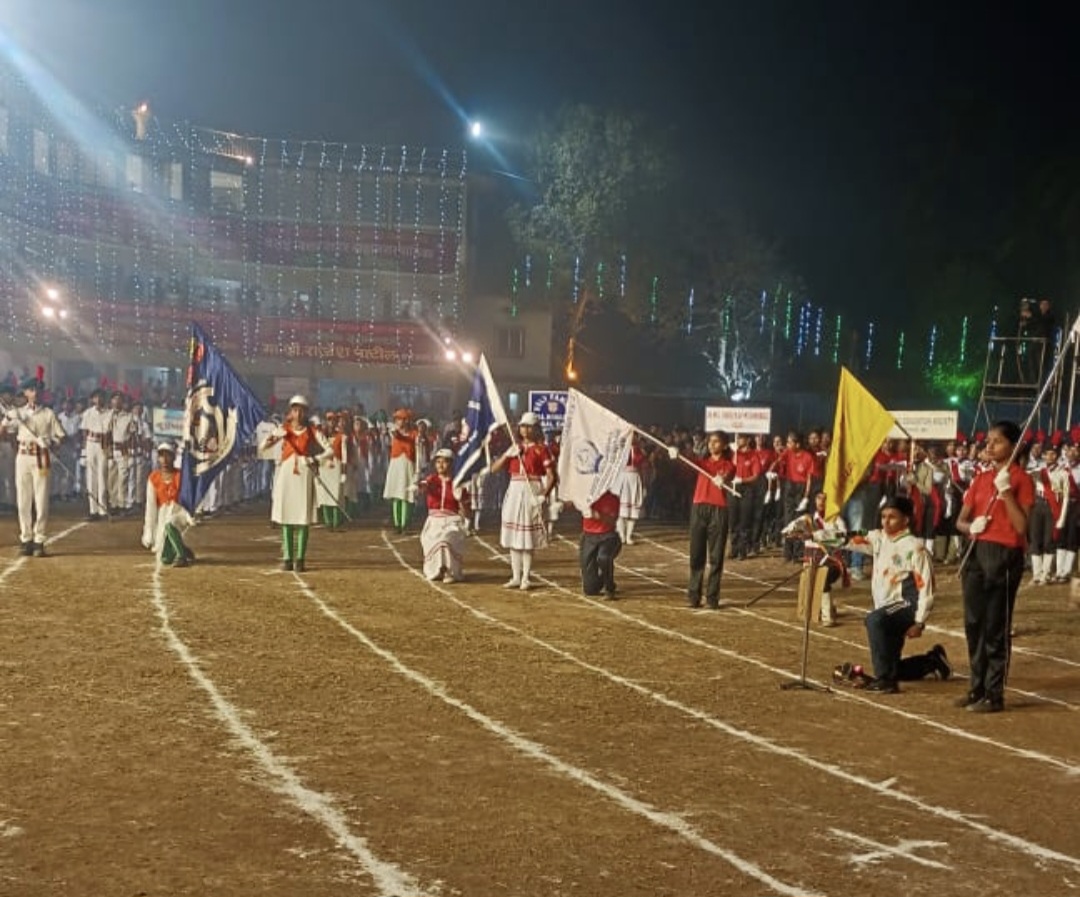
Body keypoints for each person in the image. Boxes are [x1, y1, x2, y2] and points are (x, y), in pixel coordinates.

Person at [955, 420, 1034, 713]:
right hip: (976, 551)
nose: (989, 446)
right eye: (988, 441)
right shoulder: (980, 479)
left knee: (995, 626)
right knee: (974, 624)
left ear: (1013, 447)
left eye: (997, 441)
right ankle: (976, 687)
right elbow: (960, 521)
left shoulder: (1022, 480)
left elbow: (1021, 526)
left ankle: (993, 693)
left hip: (1004, 555)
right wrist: (971, 526)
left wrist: (1006, 492)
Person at [847, 495, 950, 692]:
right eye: (883, 516)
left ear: (906, 520)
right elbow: (848, 537)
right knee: (892, 666)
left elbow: (926, 587)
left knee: (874, 620)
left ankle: (885, 681)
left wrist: (919, 622)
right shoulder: (878, 538)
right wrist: (813, 535)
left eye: (892, 517)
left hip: (907, 604)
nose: (886, 522)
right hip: (887, 608)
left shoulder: (915, 548)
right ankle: (931, 662)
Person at [259, 395, 333, 572]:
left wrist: (314, 459)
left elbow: (329, 450)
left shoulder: (312, 431)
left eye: (301, 411)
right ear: (290, 412)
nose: (297, 414)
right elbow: (262, 447)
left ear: (306, 413)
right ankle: (287, 558)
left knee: (302, 517)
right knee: (286, 515)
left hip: (304, 474)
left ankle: (300, 559)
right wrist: (272, 438)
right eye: (294, 410)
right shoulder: (283, 429)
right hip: (286, 473)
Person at [490, 411, 556, 591]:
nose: (525, 430)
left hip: (531, 489)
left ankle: (526, 577)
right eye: (523, 426)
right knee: (514, 536)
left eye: (529, 427)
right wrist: (507, 455)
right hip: (514, 489)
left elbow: (552, 476)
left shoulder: (542, 449)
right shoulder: (514, 448)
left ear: (535, 429)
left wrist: (543, 496)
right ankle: (515, 577)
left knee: (527, 537)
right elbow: (494, 469)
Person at [2, 372, 66, 556]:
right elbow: (2, 433)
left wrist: (51, 442)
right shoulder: (18, 413)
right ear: (25, 393)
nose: (35, 392)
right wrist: (7, 420)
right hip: (23, 457)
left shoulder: (48, 413)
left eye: (38, 389)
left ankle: (39, 539)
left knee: (41, 500)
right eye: (31, 389)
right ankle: (26, 538)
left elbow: (61, 436)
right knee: (23, 500)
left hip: (41, 459)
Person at [686, 430, 736, 609]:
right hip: (699, 507)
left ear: (724, 445)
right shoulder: (702, 463)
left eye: (716, 441)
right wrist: (675, 452)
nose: (712, 444)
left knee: (716, 556)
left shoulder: (728, 465)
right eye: (710, 441)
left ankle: (712, 597)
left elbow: (729, 473)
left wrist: (723, 478)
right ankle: (694, 595)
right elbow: (687, 462)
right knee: (696, 554)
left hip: (718, 510)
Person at [781, 491, 846, 626]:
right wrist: (793, 531)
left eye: (824, 499)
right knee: (810, 583)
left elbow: (843, 537)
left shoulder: (836, 520)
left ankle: (827, 617)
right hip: (811, 563)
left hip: (831, 562)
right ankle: (827, 608)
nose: (821, 502)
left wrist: (817, 536)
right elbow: (788, 529)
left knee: (823, 579)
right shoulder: (807, 519)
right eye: (818, 498)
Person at [418, 448, 471, 583]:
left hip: (452, 521)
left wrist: (461, 500)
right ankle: (437, 570)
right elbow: (423, 486)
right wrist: (419, 485)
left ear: (451, 464)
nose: (440, 465)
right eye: (438, 462)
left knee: (446, 538)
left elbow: (466, 510)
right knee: (433, 540)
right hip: (434, 521)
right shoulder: (432, 480)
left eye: (444, 462)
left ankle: (449, 571)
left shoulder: (457, 483)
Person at [141, 442, 195, 567]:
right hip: (163, 514)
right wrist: (149, 532)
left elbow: (188, 499)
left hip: (179, 512)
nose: (164, 460)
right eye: (161, 456)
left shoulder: (181, 476)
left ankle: (181, 557)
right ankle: (182, 549)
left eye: (168, 456)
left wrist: (190, 516)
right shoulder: (154, 478)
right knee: (165, 558)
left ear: (174, 457)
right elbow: (151, 508)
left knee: (170, 524)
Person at [580, 489, 622, 599]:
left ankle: (609, 588)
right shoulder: (586, 497)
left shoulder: (612, 498)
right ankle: (604, 577)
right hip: (588, 537)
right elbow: (570, 503)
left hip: (608, 537)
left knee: (603, 558)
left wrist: (597, 515)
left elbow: (612, 521)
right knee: (590, 589)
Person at [383, 408, 418, 533]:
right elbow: (394, 435)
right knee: (396, 495)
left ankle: (405, 523)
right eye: (397, 419)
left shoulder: (414, 434)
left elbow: (417, 450)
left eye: (401, 419)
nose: (399, 422)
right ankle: (397, 524)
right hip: (396, 465)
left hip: (408, 465)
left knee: (406, 495)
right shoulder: (394, 432)